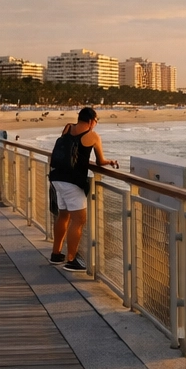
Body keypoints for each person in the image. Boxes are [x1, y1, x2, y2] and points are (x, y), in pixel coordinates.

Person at [47, 107, 118, 271]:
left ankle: (56, 254)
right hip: (72, 182)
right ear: (92, 121)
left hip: (56, 177)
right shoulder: (92, 136)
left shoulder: (67, 127)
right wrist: (110, 162)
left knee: (63, 215)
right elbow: (100, 161)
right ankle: (71, 260)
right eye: (96, 122)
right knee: (78, 220)